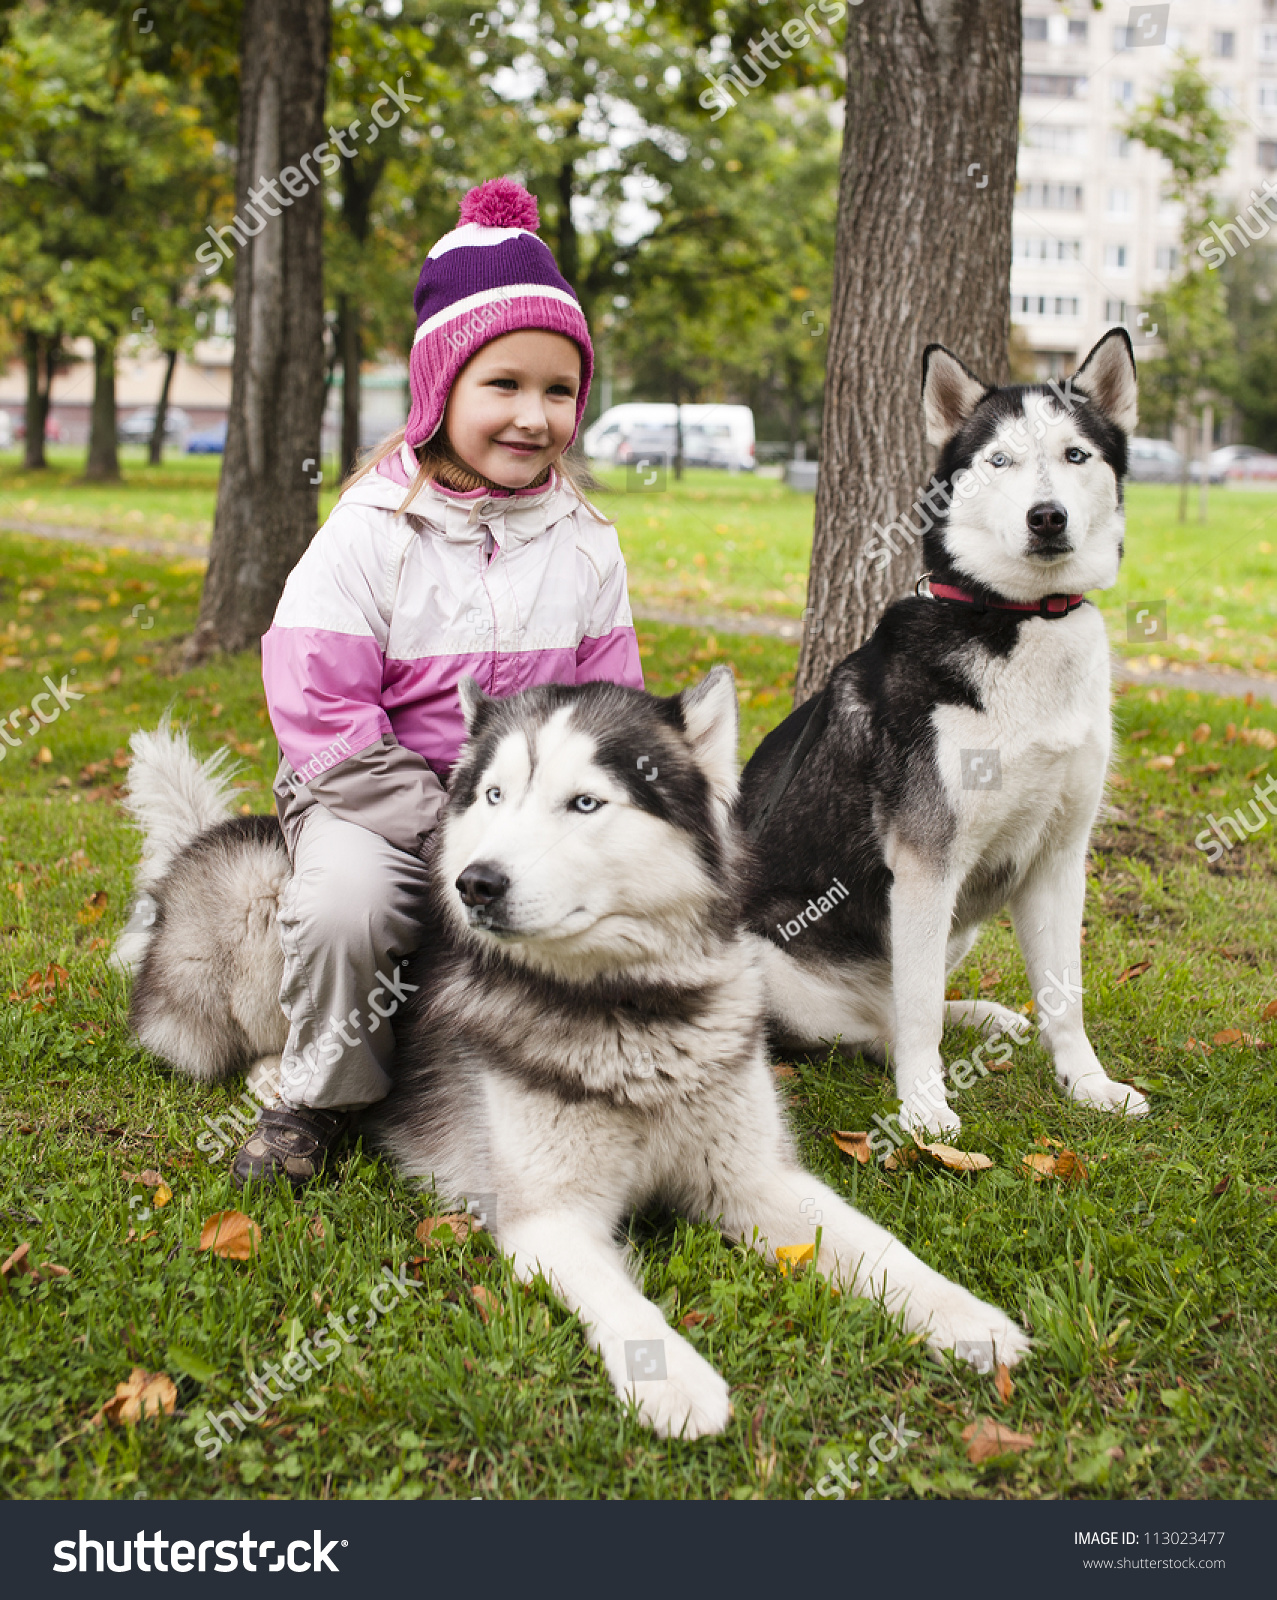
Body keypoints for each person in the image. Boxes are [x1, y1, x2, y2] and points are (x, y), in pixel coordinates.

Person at [233, 177, 644, 1189]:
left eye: (558, 391)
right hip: (371, 800)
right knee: (348, 910)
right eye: (501, 385)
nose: (532, 415)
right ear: (439, 390)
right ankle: (320, 1097)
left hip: (526, 808)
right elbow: (320, 712)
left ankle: (571, 1077)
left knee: (604, 909)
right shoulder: (372, 531)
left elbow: (610, 708)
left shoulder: (584, 543)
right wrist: (439, 826)